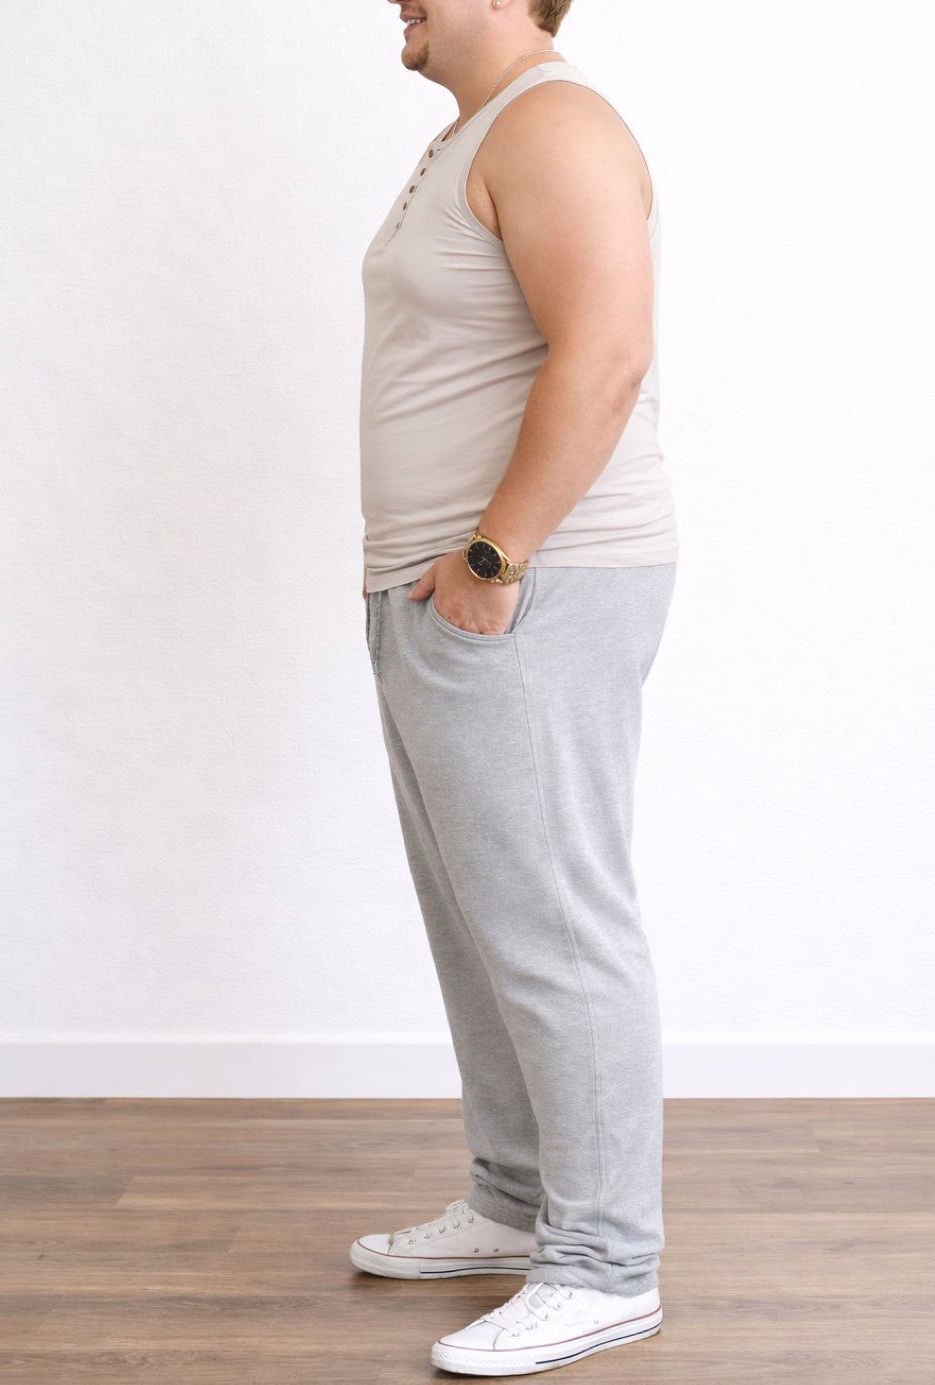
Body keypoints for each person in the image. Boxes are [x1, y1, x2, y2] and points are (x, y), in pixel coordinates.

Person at [351, 0, 677, 1374]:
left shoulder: (557, 125)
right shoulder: (477, 134)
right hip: (447, 588)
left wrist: (494, 555)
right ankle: (512, 1195)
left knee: (553, 918)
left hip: (524, 580)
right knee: (482, 914)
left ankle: (605, 1262)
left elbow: (605, 352)